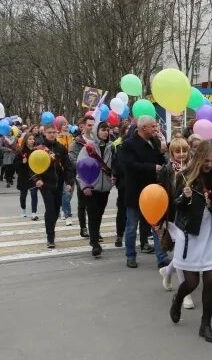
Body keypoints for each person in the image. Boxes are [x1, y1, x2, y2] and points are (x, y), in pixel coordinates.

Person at [165, 140, 212, 343]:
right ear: (199, 158)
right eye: (206, 160)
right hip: (190, 233)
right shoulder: (184, 176)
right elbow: (175, 205)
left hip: (210, 233)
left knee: (210, 280)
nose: (209, 164)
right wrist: (184, 198)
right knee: (192, 282)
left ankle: (206, 324)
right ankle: (177, 299)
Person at [119, 115, 168, 269]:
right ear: (143, 128)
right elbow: (129, 165)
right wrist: (152, 167)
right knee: (132, 226)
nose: (156, 129)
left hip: (153, 192)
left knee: (156, 226)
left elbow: (160, 161)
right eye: (153, 126)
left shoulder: (155, 142)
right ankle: (130, 255)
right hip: (135, 191)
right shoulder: (128, 145)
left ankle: (162, 257)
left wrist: (164, 154)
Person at [156, 138, 196, 308]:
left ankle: (167, 271)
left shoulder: (194, 168)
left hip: (190, 216)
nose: (182, 154)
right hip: (173, 217)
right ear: (171, 154)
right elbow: (160, 194)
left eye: (184, 151)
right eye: (177, 151)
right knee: (180, 251)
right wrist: (159, 220)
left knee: (186, 253)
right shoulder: (167, 170)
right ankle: (185, 292)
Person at [76, 121, 115, 258]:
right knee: (93, 215)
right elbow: (80, 168)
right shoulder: (88, 148)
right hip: (91, 187)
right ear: (96, 132)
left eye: (107, 129)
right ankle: (94, 243)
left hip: (105, 188)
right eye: (103, 129)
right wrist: (85, 185)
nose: (106, 132)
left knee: (99, 214)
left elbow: (114, 166)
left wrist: (114, 177)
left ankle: (95, 236)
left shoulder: (112, 147)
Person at [34, 124, 75, 248]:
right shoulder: (40, 149)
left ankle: (51, 229)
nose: (52, 134)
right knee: (50, 209)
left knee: (56, 211)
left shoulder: (61, 148)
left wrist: (69, 182)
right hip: (45, 184)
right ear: (45, 133)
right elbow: (33, 167)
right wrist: (37, 179)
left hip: (59, 183)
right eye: (49, 132)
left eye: (54, 132)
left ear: (57, 133)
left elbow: (67, 166)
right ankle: (50, 237)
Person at [69, 116, 95, 238]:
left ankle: (94, 229)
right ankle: (83, 228)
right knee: (83, 203)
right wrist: (84, 166)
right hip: (82, 175)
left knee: (94, 204)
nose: (91, 128)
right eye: (89, 125)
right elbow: (72, 159)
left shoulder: (97, 139)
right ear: (83, 126)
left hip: (96, 176)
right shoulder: (77, 142)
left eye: (93, 125)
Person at [15, 133, 40, 220]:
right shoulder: (20, 151)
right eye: (30, 139)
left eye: (33, 139)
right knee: (23, 194)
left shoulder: (36, 150)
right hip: (23, 175)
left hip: (33, 175)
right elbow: (15, 164)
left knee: (34, 194)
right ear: (25, 140)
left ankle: (34, 213)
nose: (32, 141)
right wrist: (22, 162)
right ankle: (23, 210)